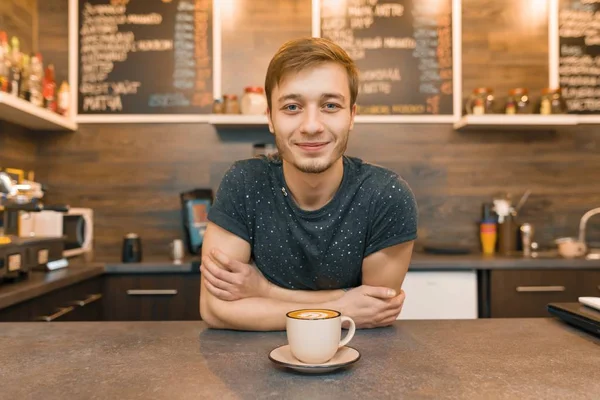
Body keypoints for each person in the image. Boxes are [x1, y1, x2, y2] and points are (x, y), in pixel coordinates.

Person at [199, 37, 418, 331]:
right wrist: (341, 307)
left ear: (351, 115)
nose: (312, 125)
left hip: (357, 367)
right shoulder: (244, 183)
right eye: (292, 107)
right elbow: (215, 310)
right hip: (251, 369)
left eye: (330, 105)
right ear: (270, 118)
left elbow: (374, 311)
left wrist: (264, 292)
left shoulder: (386, 195)